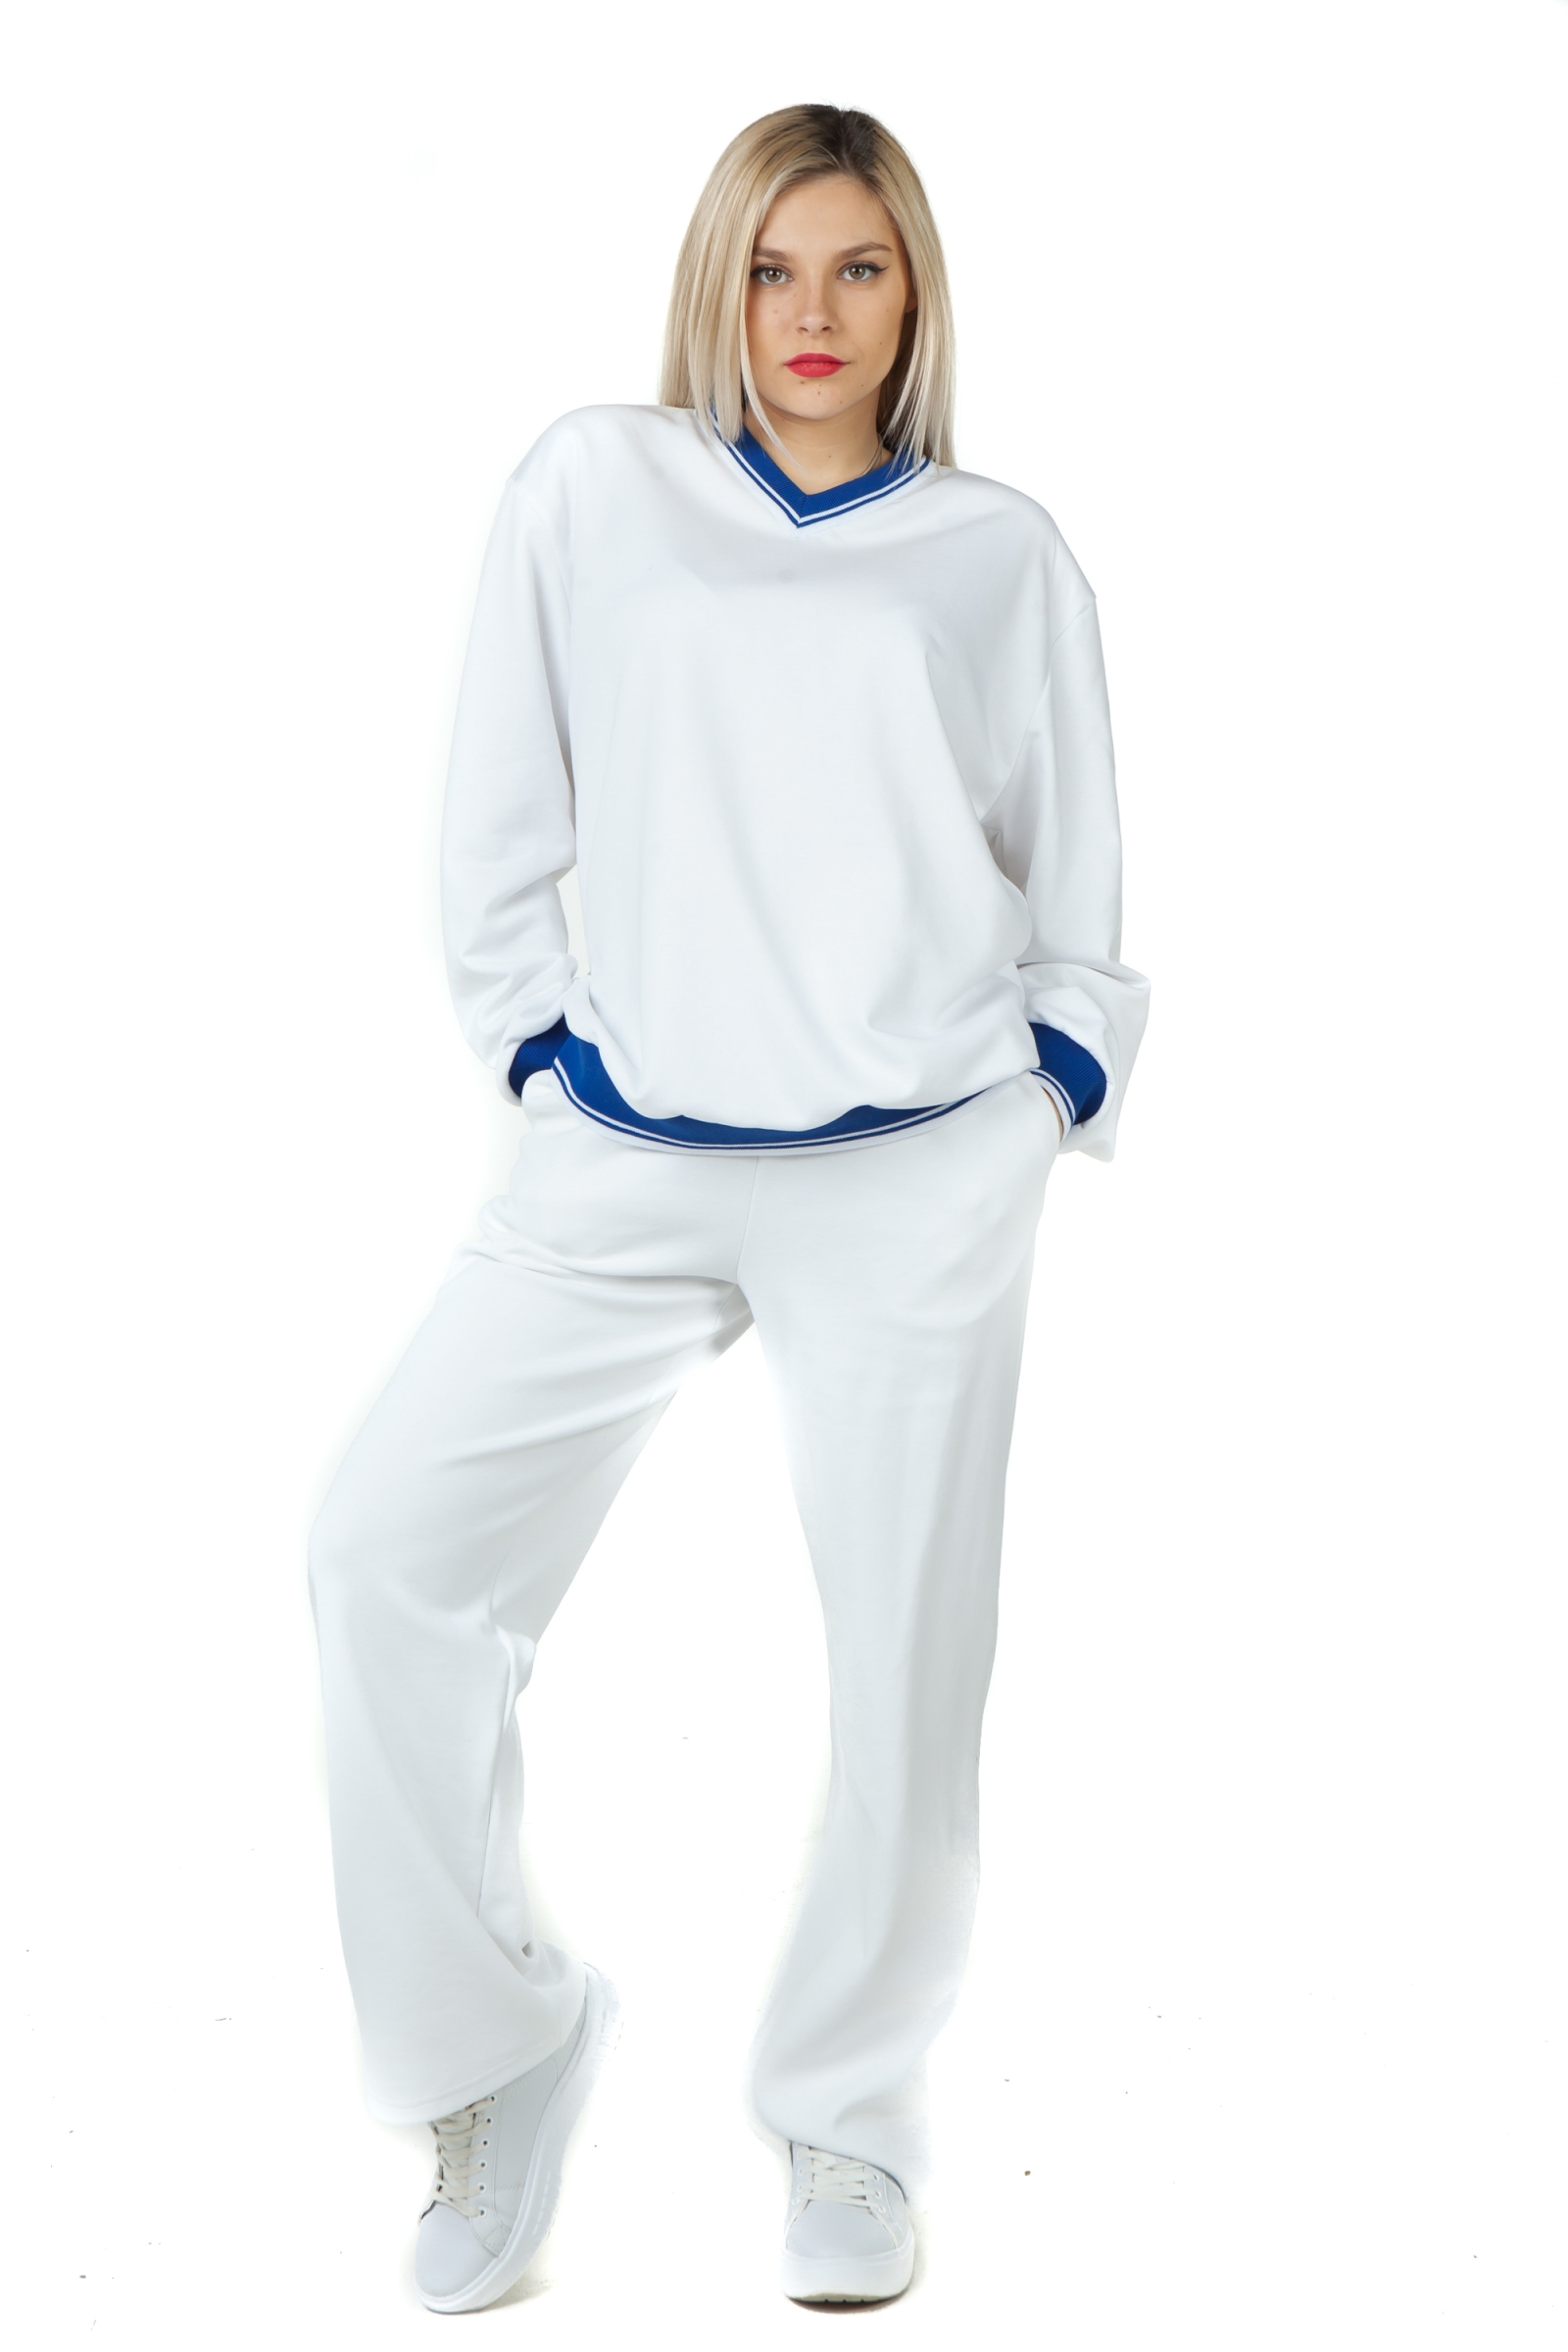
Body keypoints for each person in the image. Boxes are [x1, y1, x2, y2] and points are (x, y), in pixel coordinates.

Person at [309, 100, 1149, 2314]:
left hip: (908, 1169)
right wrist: (537, 1057)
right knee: (384, 1553)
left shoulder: (997, 556)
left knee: (904, 1663)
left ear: (914, 289)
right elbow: (498, 824)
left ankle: (845, 2117)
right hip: (629, 1152)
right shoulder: (596, 490)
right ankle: (496, 2050)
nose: (812, 313)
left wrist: (1037, 1099)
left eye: (858, 266)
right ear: (719, 281)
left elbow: (1076, 909)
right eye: (774, 266)